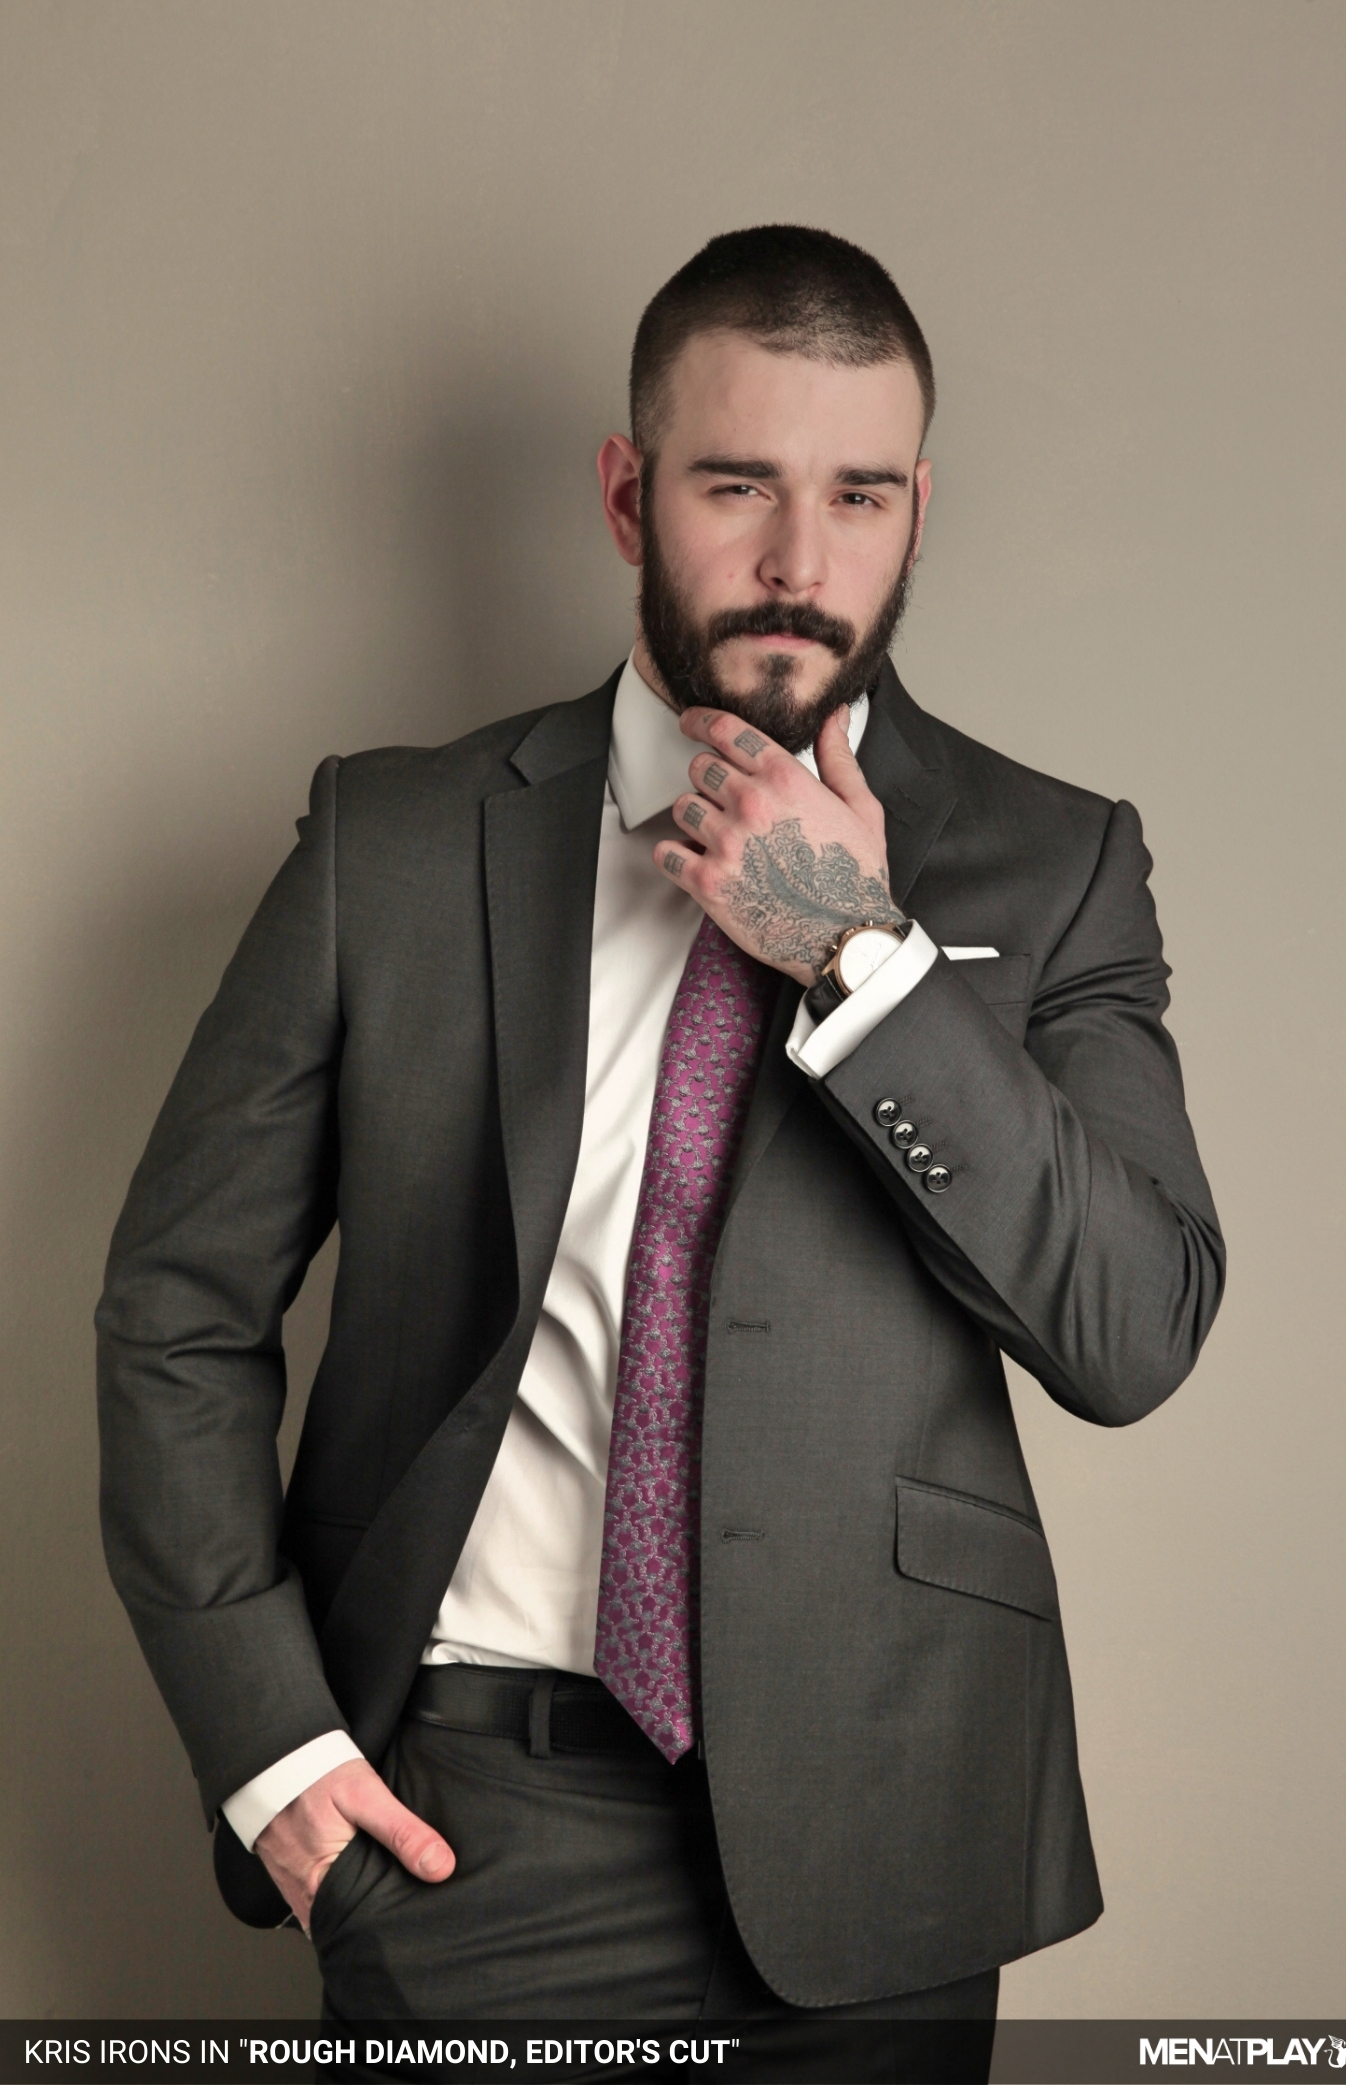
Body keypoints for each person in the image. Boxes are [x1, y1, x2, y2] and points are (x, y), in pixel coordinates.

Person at [97, 226, 1224, 2037]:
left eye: (859, 494)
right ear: (628, 495)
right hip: (469, 1827)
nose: (800, 563)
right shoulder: (393, 843)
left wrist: (862, 958)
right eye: (736, 485)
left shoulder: (1056, 860)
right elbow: (178, 1308)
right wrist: (271, 1749)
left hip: (892, 1831)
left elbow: (1130, 1328)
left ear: (917, 509)